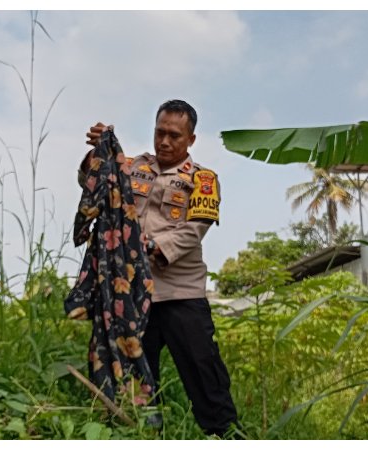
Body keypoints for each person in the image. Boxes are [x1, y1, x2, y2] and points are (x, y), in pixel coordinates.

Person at [78, 99, 239, 437]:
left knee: (204, 373)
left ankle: (226, 435)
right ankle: (143, 436)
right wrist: (96, 154)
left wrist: (144, 246)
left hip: (181, 294)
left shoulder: (203, 180)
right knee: (136, 378)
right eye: (160, 132)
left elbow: (193, 232)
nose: (165, 141)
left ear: (191, 139)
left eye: (174, 136)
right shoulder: (132, 166)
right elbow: (93, 182)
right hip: (132, 295)